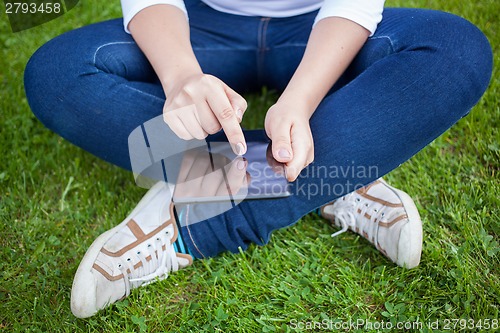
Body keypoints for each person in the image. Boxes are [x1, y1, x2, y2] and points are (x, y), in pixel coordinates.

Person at [24, 0, 492, 319]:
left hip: (321, 27)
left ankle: (190, 226)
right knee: (57, 73)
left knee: (455, 50)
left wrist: (301, 102)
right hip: (199, 25)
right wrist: (182, 78)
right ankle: (339, 172)